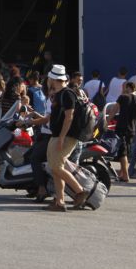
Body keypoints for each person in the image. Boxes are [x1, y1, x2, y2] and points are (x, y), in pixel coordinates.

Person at [44, 64, 88, 212]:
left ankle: (80, 191)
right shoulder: (59, 93)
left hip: (66, 136)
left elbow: (69, 117)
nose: (48, 80)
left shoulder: (67, 94)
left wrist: (62, 137)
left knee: (56, 166)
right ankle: (60, 201)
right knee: (55, 168)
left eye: (49, 78)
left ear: (54, 79)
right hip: (57, 135)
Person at [110, 81, 136, 182]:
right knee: (125, 152)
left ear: (128, 88)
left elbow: (114, 110)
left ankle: (125, 175)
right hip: (132, 130)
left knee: (122, 152)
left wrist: (106, 122)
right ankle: (123, 174)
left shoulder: (122, 97)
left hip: (121, 128)